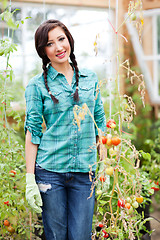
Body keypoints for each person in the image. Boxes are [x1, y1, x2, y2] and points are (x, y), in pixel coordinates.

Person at [24, 19, 106, 240]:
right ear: (43, 51)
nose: (59, 47)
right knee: (56, 235)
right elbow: (33, 131)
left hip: (84, 172)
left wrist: (104, 165)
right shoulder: (37, 85)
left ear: (69, 39)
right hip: (50, 171)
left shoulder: (90, 78)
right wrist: (30, 178)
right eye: (50, 44)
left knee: (81, 236)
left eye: (61, 39)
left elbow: (100, 123)